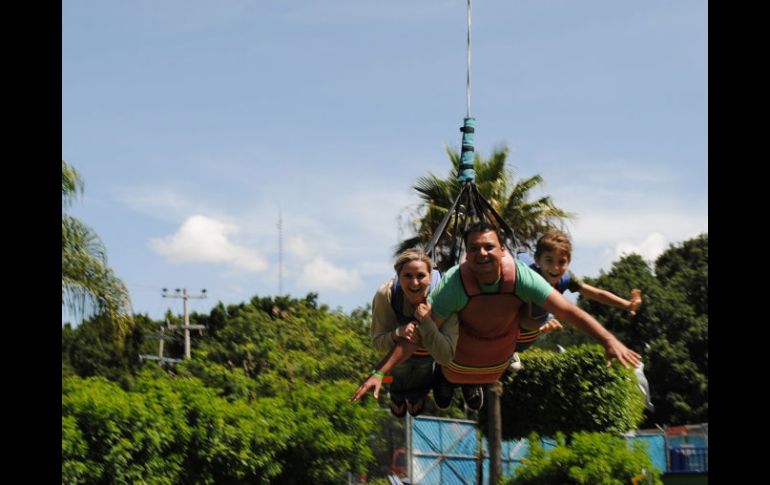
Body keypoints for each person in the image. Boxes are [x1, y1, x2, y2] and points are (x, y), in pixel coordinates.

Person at [351, 222, 641, 411]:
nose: (482, 253)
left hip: (500, 356)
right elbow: (416, 335)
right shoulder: (455, 284)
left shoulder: (521, 276)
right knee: (436, 344)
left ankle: (467, 382)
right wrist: (380, 371)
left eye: (489, 246)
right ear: (466, 256)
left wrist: (608, 339)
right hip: (459, 360)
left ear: (503, 250)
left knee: (539, 307)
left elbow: (567, 310)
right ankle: (446, 382)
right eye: (474, 248)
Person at [513, 230, 643, 363]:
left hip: (523, 339)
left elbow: (597, 294)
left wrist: (627, 305)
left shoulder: (565, 279)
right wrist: (541, 323)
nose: (555, 267)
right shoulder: (525, 276)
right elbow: (518, 317)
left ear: (568, 262)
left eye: (561, 262)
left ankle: (513, 352)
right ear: (537, 260)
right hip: (509, 331)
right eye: (549, 260)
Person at [369, 249, 458, 417]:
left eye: (421, 276)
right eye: (408, 276)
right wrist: (398, 333)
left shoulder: (445, 294)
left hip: (430, 353)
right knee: (399, 372)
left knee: (423, 373)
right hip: (399, 354)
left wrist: (426, 321)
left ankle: (419, 395)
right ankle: (397, 397)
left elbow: (446, 355)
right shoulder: (386, 295)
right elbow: (379, 343)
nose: (414, 283)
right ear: (398, 276)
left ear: (430, 277)